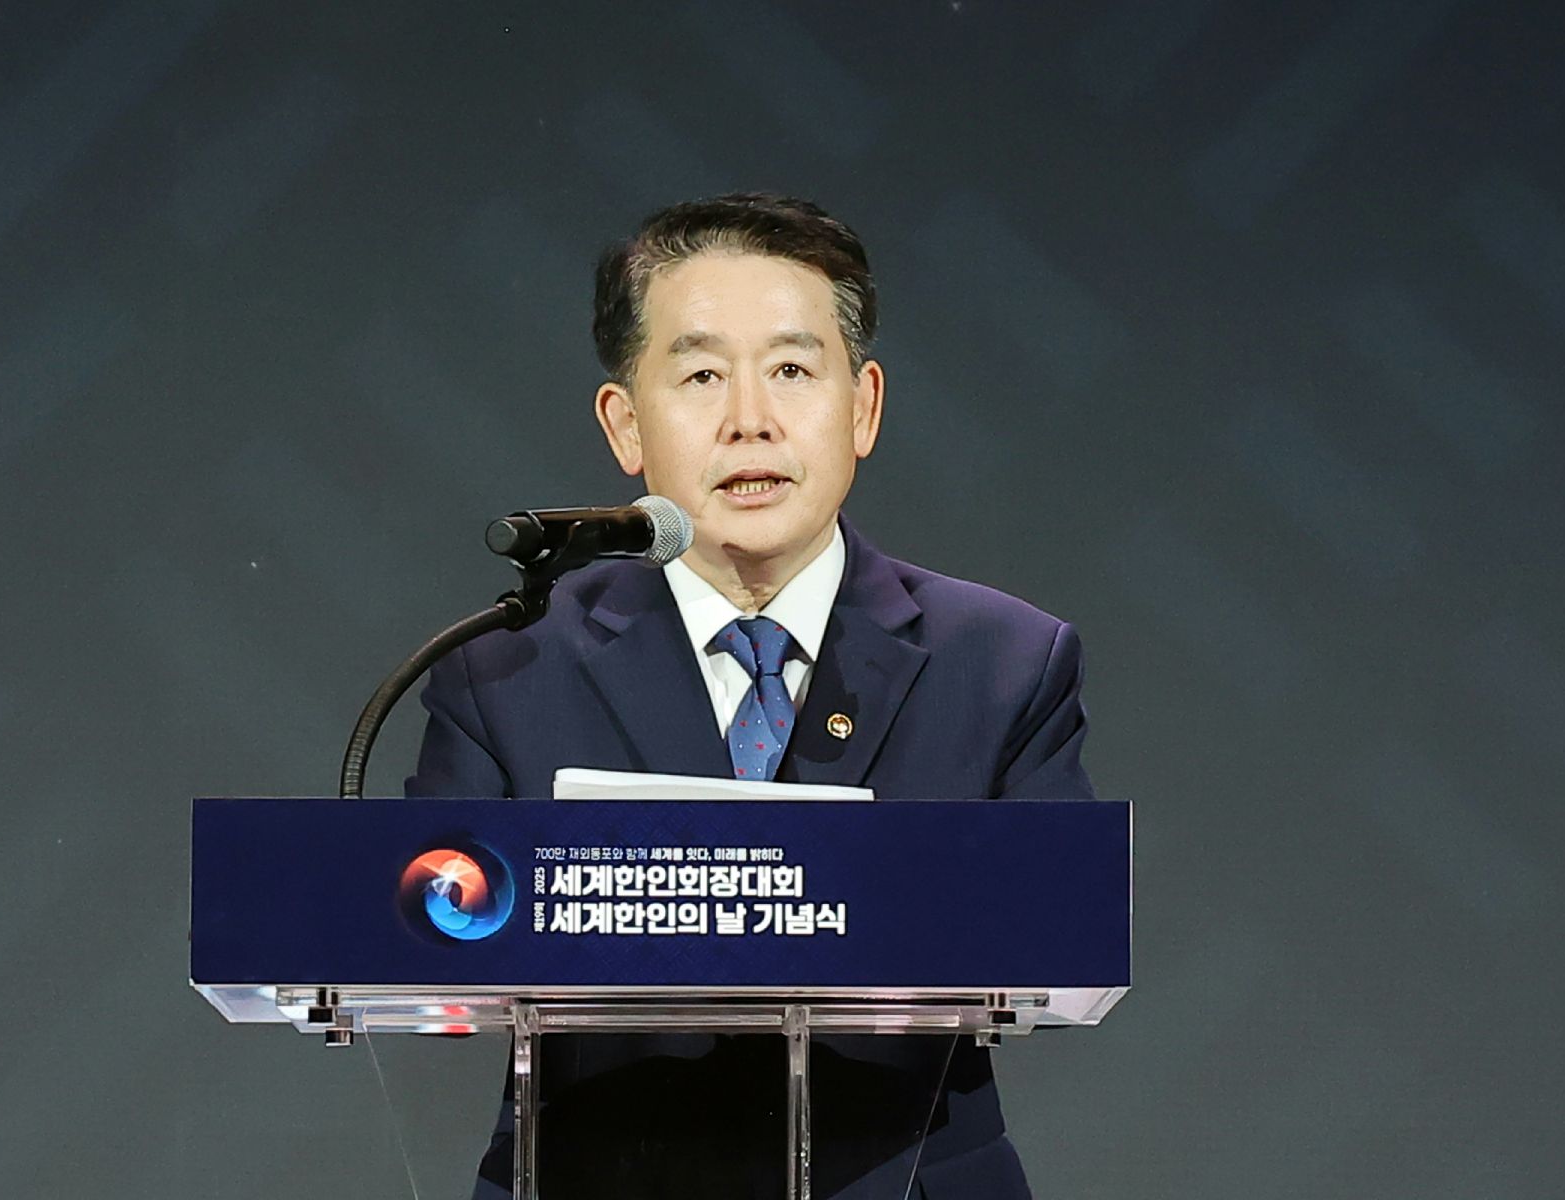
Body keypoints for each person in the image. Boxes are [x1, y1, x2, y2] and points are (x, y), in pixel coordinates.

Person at [408, 193, 1093, 1199]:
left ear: (862, 407)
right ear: (625, 425)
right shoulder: (506, 666)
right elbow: (425, 932)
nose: (750, 420)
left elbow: (1059, 933)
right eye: (700, 375)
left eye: (791, 370)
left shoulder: (1001, 661)